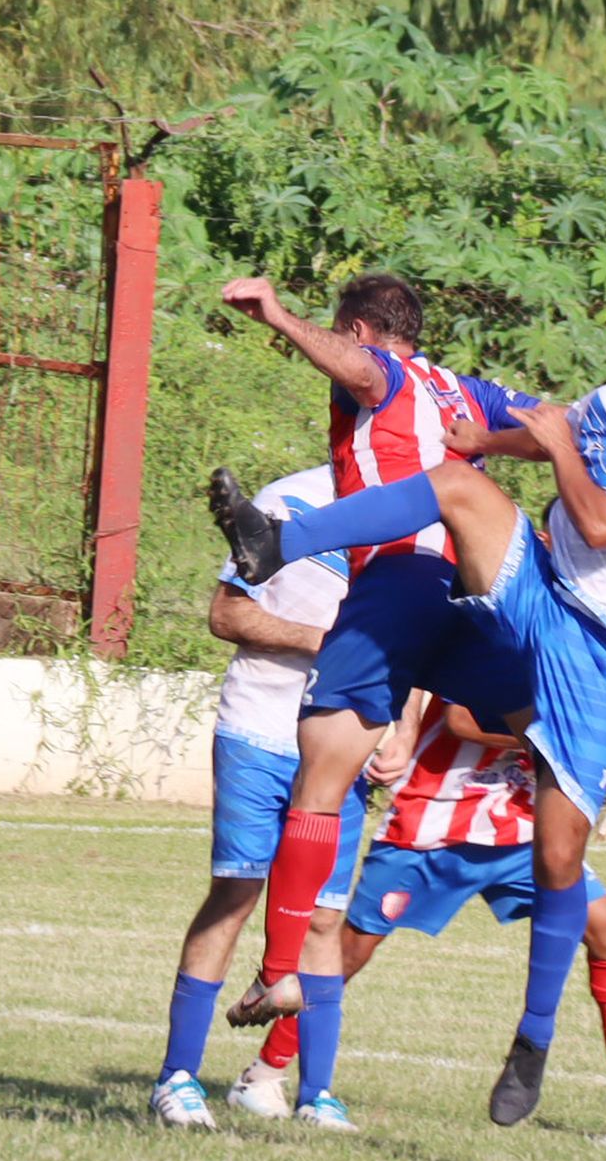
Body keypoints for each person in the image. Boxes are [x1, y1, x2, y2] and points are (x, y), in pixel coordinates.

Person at [211, 324, 606, 1124]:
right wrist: (487, 440)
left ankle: (534, 1042)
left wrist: (557, 444)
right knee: (458, 485)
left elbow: (601, 521)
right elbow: (555, 441)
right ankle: (279, 541)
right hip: (544, 603)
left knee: (562, 863)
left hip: (602, 660)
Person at [212, 274, 541, 1033]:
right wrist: (491, 441)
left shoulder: (382, 371)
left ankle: (278, 973)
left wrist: (278, 317)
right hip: (468, 597)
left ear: (359, 328)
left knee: (319, 786)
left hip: (393, 585)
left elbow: (365, 372)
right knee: (542, 727)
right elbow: (547, 426)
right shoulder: (467, 392)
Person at [241, 694, 606, 1127]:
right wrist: (575, 743)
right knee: (345, 956)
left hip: (523, 823)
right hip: (435, 819)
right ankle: (261, 1076)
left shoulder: (596, 647)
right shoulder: (507, 622)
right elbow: (463, 717)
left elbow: (594, 725)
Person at [150, 465, 390, 1131]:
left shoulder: (415, 511)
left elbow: (421, 640)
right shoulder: (289, 500)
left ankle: (310, 1093)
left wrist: (408, 725)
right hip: (261, 731)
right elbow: (226, 612)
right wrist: (323, 643)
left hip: (344, 746)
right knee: (234, 893)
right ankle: (177, 1079)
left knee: (323, 921)